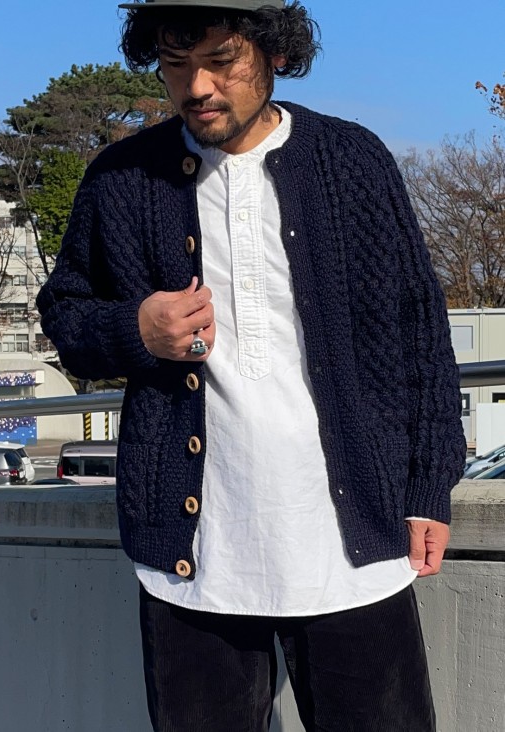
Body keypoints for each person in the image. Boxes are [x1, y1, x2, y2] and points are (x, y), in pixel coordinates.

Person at [36, 1, 467, 729]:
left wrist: (429, 486)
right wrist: (135, 328)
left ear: (274, 53)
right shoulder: (123, 178)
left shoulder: (352, 161)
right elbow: (67, 316)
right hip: (195, 562)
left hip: (353, 546)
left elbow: (418, 329)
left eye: (221, 61)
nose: (198, 86)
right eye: (177, 65)